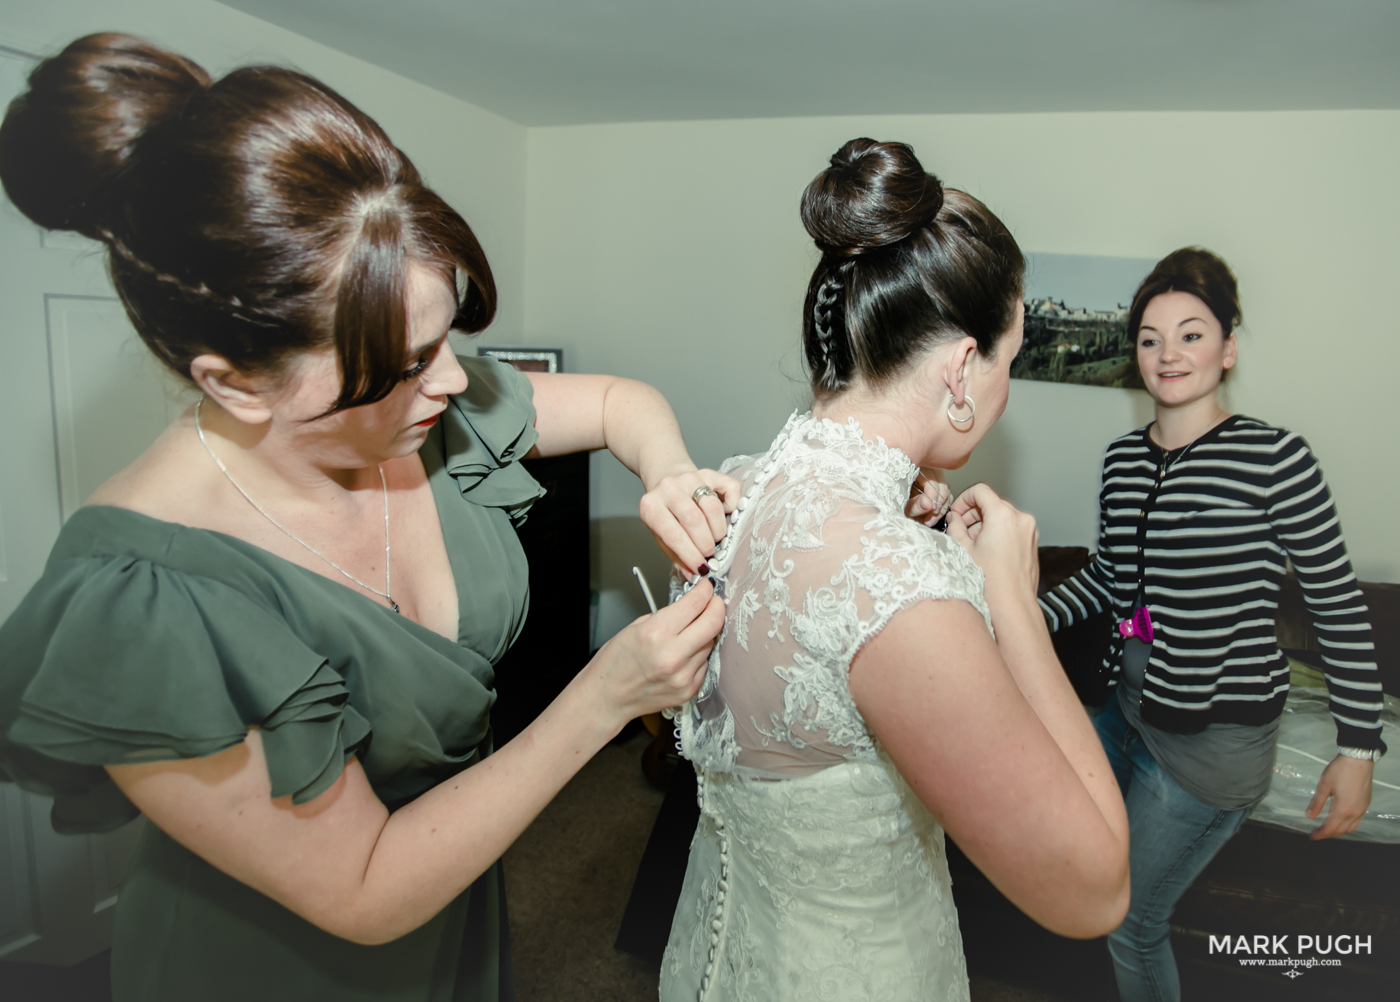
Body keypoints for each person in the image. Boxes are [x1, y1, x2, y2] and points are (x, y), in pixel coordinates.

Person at [0, 34, 736, 1002]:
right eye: (397, 367)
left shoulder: (426, 407)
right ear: (233, 383)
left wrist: (670, 473)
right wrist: (602, 697)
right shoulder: (143, 600)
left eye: (445, 336)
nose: (449, 381)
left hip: (456, 885)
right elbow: (361, 888)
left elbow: (615, 405)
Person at [659, 139, 1131, 1002]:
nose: (1004, 388)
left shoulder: (736, 490)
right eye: (1009, 359)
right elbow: (1094, 890)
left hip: (716, 958)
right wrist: (1011, 602)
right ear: (960, 367)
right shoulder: (900, 588)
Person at [1038, 247, 1383, 1002]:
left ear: (1227, 349)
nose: (1169, 354)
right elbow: (1111, 581)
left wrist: (1358, 744)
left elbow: (1334, 600)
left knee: (1131, 921)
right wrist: (1021, 618)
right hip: (1123, 714)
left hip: (1208, 748)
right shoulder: (1123, 460)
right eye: (1151, 337)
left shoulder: (1276, 459)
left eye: (1191, 334)